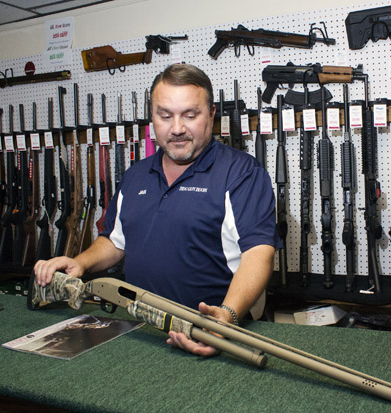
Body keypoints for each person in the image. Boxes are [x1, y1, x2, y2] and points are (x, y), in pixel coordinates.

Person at [33, 64, 280, 357]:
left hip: (205, 332)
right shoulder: (136, 175)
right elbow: (115, 240)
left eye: (190, 115)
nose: (177, 128)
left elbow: (259, 254)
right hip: (137, 330)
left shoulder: (241, 173)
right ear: (152, 118)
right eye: (165, 116)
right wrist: (80, 263)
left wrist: (226, 317)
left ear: (211, 114)